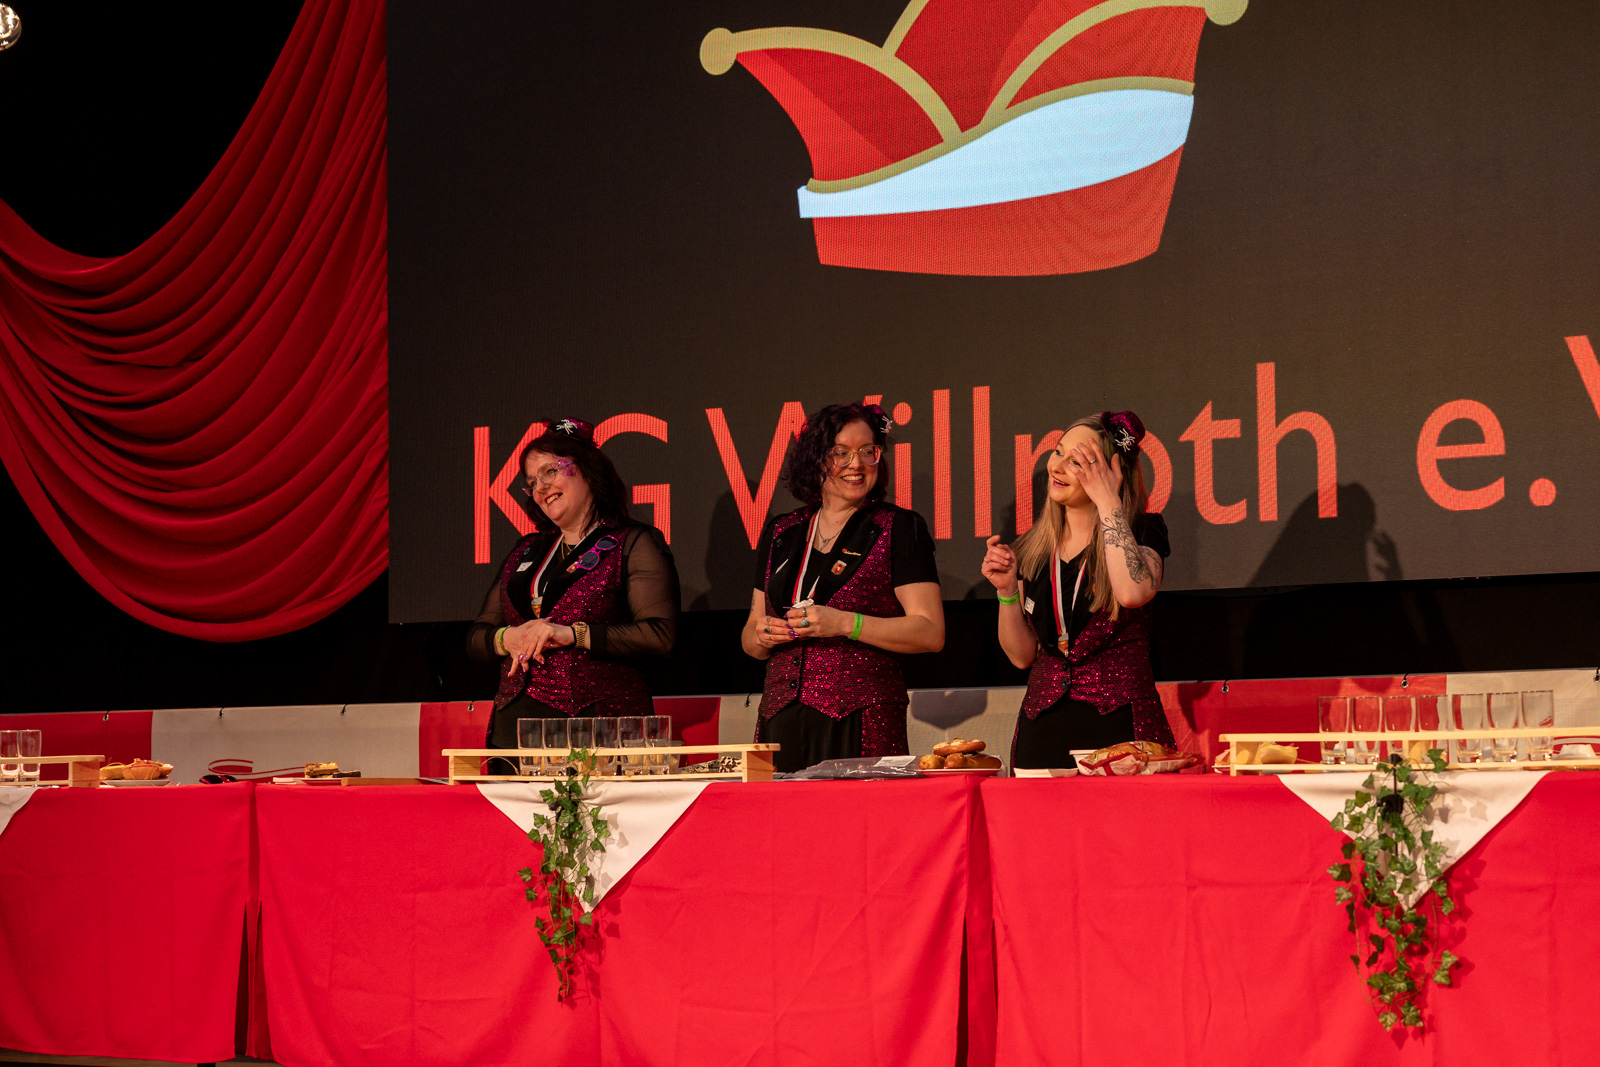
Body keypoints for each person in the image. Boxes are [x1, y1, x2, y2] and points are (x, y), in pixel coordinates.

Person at [741, 402, 944, 772]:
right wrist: (763, 634)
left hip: (862, 716)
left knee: (858, 811)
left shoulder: (898, 527)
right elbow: (751, 639)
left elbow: (930, 632)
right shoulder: (782, 531)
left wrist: (845, 623)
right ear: (816, 460)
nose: (857, 464)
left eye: (868, 451)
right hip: (781, 716)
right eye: (841, 453)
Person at [467, 418, 679, 770]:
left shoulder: (632, 542)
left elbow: (660, 636)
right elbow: (477, 636)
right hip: (514, 731)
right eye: (532, 482)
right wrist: (508, 638)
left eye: (549, 472)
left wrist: (572, 634)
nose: (540, 488)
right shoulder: (526, 550)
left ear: (588, 471)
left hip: (599, 727)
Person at [980, 411, 1174, 770]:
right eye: (1058, 452)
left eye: (1078, 461)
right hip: (1043, 730)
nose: (1057, 466)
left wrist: (1108, 501)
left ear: (1111, 472)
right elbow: (1021, 657)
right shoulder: (1032, 549)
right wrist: (1007, 593)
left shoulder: (1142, 530)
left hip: (1121, 728)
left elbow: (1132, 593)